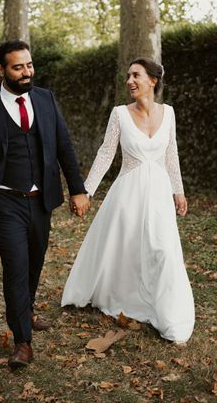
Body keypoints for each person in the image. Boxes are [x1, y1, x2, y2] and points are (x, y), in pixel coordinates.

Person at [0, 40, 90, 369]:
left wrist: (78, 189)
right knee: (15, 267)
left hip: (41, 199)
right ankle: (22, 341)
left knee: (35, 260)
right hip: (4, 201)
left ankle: (26, 309)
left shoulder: (45, 99)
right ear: (1, 70)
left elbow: (64, 147)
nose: (27, 72)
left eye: (29, 65)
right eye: (18, 67)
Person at [61, 57, 194, 344]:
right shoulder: (119, 113)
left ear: (152, 81)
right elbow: (106, 153)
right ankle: (125, 296)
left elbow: (171, 155)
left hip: (158, 193)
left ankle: (169, 312)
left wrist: (178, 190)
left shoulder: (168, 113)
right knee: (127, 248)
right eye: (128, 76)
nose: (129, 81)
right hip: (128, 192)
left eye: (136, 75)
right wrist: (87, 190)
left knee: (163, 250)